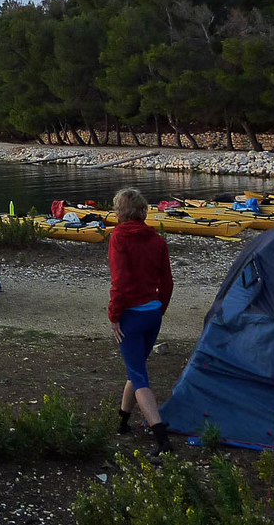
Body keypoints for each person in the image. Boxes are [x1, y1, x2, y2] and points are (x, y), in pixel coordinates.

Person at [107, 187, 175, 457]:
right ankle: (122, 421)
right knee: (134, 368)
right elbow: (167, 282)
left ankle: (162, 440)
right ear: (143, 210)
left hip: (132, 315)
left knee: (139, 375)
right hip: (152, 312)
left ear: (120, 211)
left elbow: (120, 281)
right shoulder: (157, 240)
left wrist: (114, 315)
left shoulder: (119, 238)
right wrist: (161, 309)